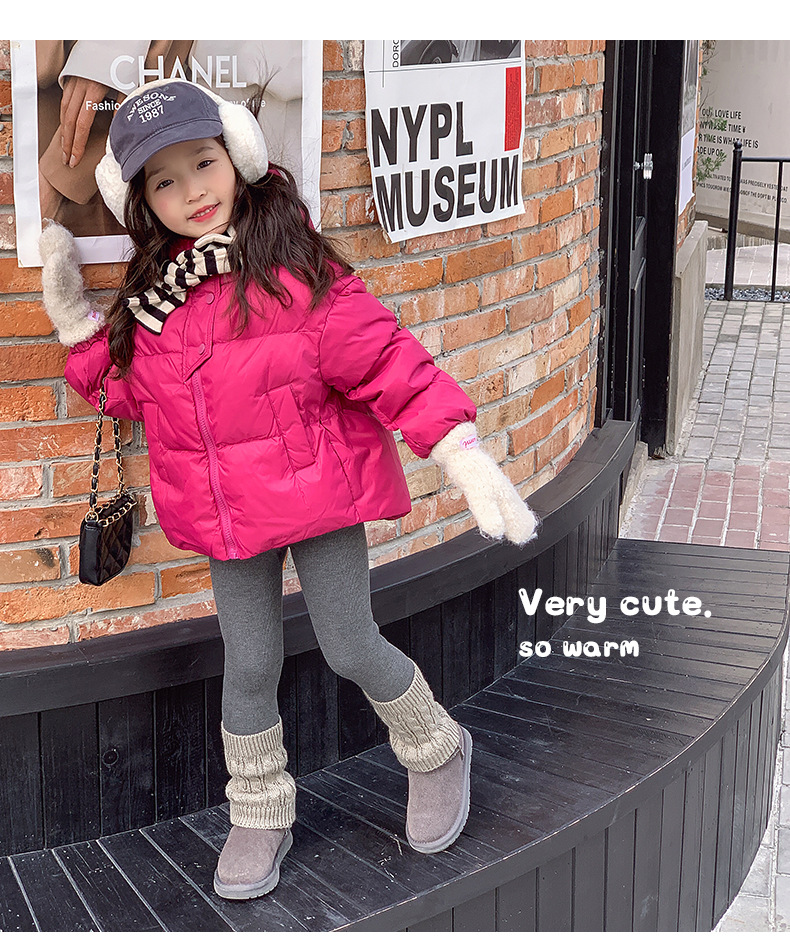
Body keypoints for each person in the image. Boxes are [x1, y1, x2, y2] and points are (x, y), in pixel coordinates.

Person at [37, 79, 540, 903]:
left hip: (318, 495)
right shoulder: (156, 301)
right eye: (164, 180)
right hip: (228, 515)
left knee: (349, 642)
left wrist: (458, 447)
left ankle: (437, 747)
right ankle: (260, 809)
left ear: (237, 155)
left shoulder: (297, 272)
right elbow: (126, 391)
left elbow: (386, 357)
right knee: (250, 662)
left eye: (203, 162)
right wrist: (78, 326)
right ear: (141, 201)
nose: (192, 191)